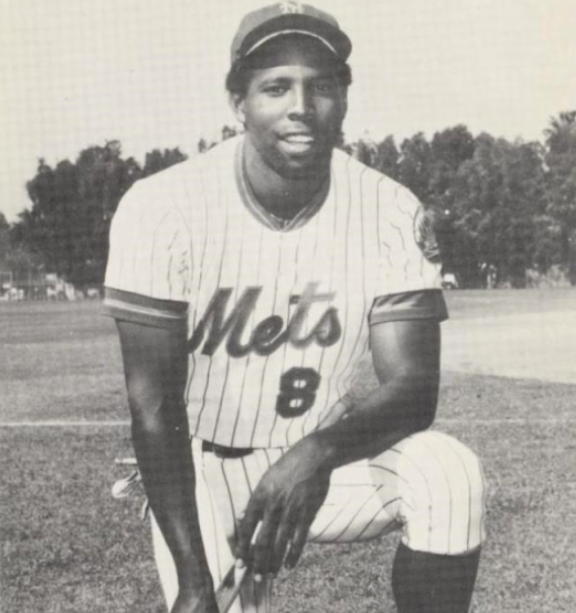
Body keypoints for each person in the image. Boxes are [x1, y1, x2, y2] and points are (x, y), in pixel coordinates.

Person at [104, 3, 486, 612]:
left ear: (344, 99)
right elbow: (152, 406)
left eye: (321, 86)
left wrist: (316, 454)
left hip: (331, 458)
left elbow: (414, 387)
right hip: (204, 469)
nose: (301, 106)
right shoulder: (162, 206)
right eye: (276, 87)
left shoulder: (388, 209)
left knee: (448, 473)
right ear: (239, 102)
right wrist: (196, 584)